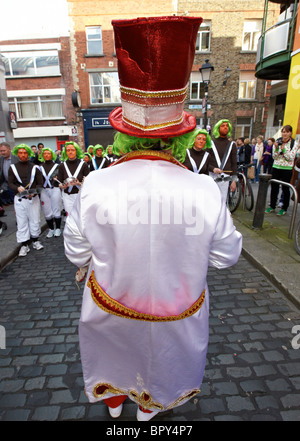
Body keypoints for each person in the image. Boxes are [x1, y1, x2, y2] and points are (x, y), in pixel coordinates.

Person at [63, 16, 242, 422]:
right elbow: (227, 256)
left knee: (112, 353)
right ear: (180, 134)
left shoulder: (95, 183)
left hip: (110, 305)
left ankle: (113, 401)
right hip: (177, 311)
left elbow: (75, 250)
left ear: (122, 133)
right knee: (161, 360)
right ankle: (149, 407)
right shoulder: (203, 189)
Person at [8, 144, 44, 257]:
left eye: (25, 153)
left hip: (33, 198)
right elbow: (10, 183)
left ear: (28, 154)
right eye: (20, 153)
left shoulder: (35, 167)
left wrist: (34, 191)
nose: (23, 155)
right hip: (20, 199)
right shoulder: (12, 168)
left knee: (35, 220)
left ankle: (35, 241)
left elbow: (40, 183)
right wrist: (17, 188)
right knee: (22, 221)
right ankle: (24, 245)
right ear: (17, 154)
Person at [265, 125, 298, 216]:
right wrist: (276, 148)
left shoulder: (294, 143)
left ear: (290, 133)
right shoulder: (277, 141)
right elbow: (274, 157)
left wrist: (283, 150)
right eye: (283, 132)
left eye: (287, 132)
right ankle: (272, 205)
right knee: (274, 188)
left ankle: (284, 208)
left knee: (285, 188)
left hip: (286, 169)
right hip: (276, 167)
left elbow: (291, 157)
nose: (285, 134)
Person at [56, 141, 90, 217]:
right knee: (70, 217)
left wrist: (79, 183)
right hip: (68, 196)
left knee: (81, 216)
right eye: (68, 150)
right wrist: (63, 186)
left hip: (80, 195)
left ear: (76, 151)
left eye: (72, 150)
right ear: (65, 152)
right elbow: (59, 183)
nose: (70, 152)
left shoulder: (83, 164)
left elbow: (89, 182)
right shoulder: (62, 165)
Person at [209, 119, 238, 201]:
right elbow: (205, 162)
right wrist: (213, 169)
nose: (225, 127)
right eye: (223, 126)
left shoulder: (232, 145)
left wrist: (234, 181)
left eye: (227, 126)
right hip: (211, 176)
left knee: (223, 201)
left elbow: (234, 163)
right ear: (217, 128)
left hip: (225, 178)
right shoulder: (210, 144)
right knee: (211, 200)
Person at [39, 147, 62, 238]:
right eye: (45, 154)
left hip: (55, 188)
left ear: (52, 155)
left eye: (48, 153)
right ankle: (51, 229)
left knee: (56, 208)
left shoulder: (57, 166)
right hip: (44, 190)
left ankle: (58, 229)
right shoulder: (40, 167)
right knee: (46, 210)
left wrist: (57, 178)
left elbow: (61, 177)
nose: (46, 155)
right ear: (42, 155)